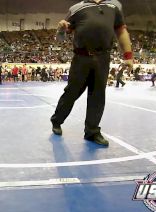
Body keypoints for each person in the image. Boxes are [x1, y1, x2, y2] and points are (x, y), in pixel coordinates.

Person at [50, 0, 133, 146]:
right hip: (81, 58)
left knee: (98, 95)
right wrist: (60, 30)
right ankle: (56, 121)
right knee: (71, 93)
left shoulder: (114, 6)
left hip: (103, 58)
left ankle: (92, 131)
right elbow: (60, 38)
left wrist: (128, 56)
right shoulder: (76, 8)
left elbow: (121, 31)